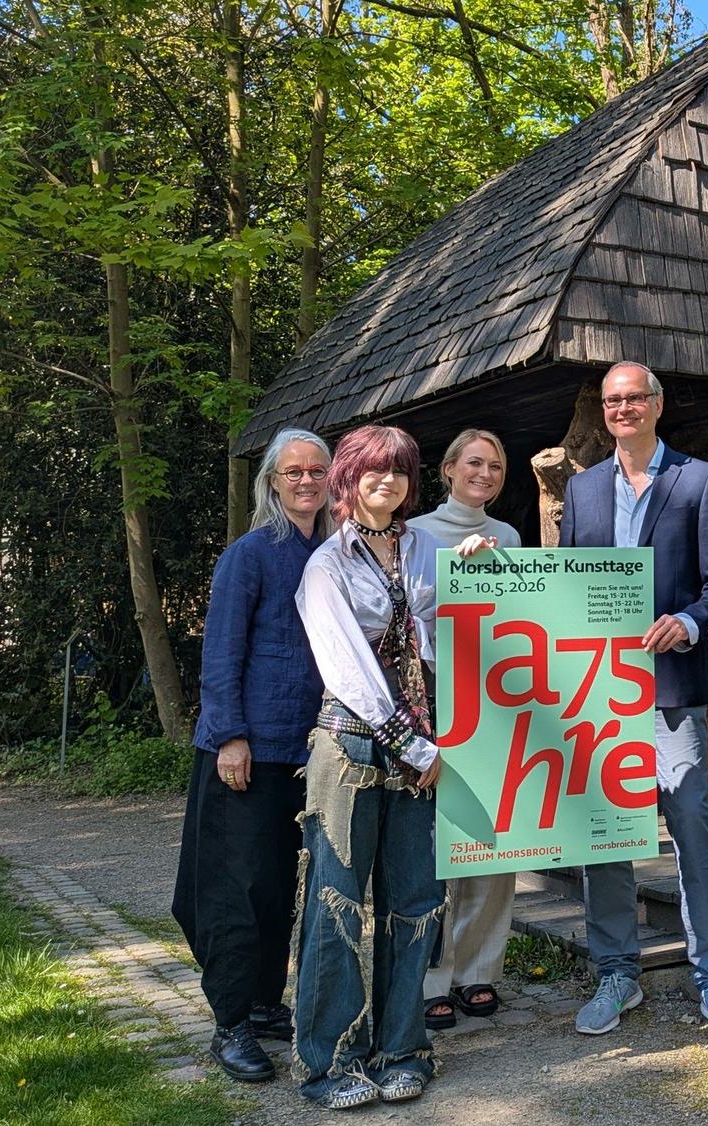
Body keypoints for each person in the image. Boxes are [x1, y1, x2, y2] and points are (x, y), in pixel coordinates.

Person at [559, 361, 708, 1044]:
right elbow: (561, 585)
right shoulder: (580, 490)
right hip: (596, 692)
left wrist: (691, 622)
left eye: (633, 397)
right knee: (604, 834)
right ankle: (618, 972)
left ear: (657, 405)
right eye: (612, 401)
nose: (623, 409)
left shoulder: (698, 480)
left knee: (693, 826)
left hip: (669, 689)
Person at [293, 424, 447, 1110]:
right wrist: (415, 746)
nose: (387, 481)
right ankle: (331, 1061)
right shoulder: (326, 564)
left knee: (414, 902)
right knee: (337, 901)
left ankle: (403, 1050)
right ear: (348, 481)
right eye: (373, 471)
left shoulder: (426, 550)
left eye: (400, 471)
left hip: (427, 750)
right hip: (354, 746)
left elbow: (459, 633)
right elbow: (347, 670)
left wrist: (480, 571)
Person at [173, 428, 331, 1084]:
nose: (304, 481)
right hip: (248, 749)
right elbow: (221, 650)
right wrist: (230, 735)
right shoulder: (250, 554)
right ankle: (231, 1023)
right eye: (292, 471)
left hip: (310, 746)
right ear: (272, 482)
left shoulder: (330, 552)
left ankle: (266, 1002)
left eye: (316, 471)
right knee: (238, 890)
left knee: (277, 887)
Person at [410, 428, 519, 1030]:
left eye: (496, 466)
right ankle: (432, 978)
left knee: (491, 849)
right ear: (449, 469)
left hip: (494, 711)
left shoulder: (509, 538)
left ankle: (479, 973)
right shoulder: (417, 532)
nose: (485, 473)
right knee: (434, 853)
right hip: (431, 709)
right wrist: (458, 571)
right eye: (474, 462)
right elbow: (411, 612)